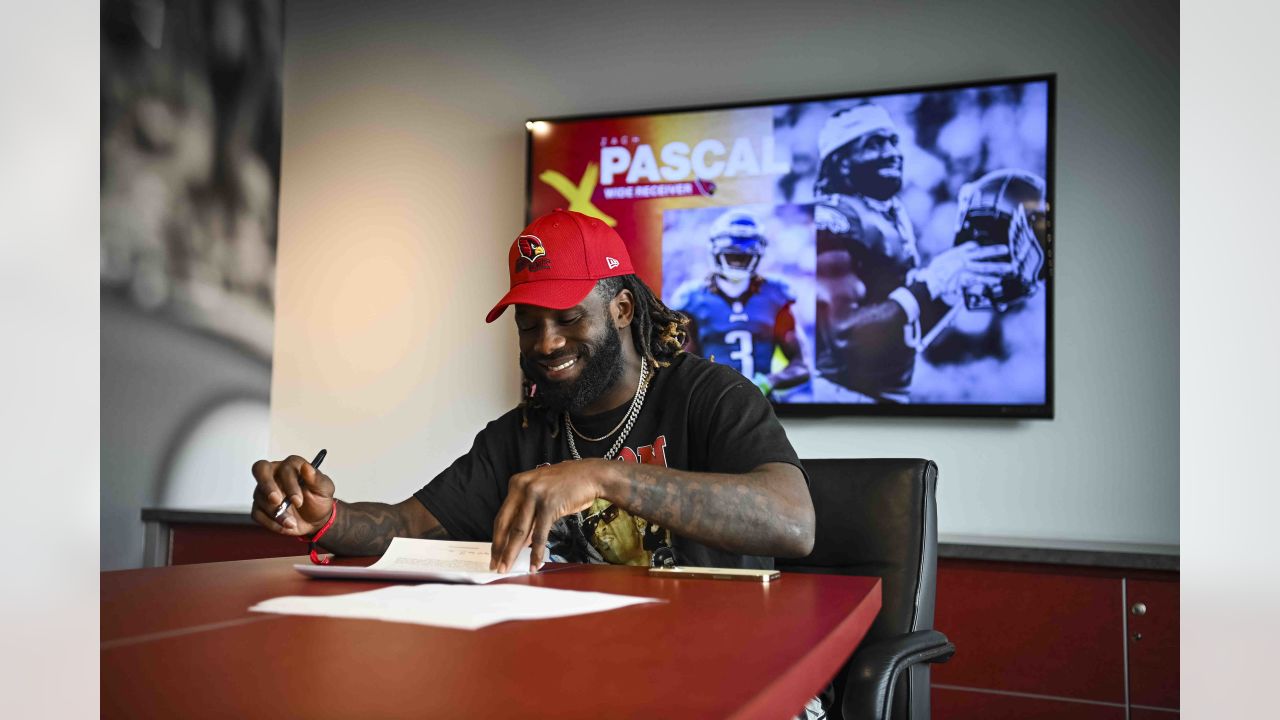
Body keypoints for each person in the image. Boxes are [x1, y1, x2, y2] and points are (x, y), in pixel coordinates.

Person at [250, 209, 815, 576]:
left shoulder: (709, 395)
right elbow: (406, 525)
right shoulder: (522, 432)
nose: (545, 343)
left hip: (723, 660)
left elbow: (793, 523)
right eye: (528, 324)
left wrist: (603, 475)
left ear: (621, 309)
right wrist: (324, 517)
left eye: (568, 318)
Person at [812, 103, 1015, 402]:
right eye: (874, 143)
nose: (892, 152)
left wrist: (949, 290)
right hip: (842, 393)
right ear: (841, 161)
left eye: (893, 141)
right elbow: (843, 332)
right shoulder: (834, 217)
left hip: (885, 394)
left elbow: (905, 329)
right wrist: (929, 283)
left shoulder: (891, 213)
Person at [669, 209, 810, 400]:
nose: (737, 261)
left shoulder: (775, 295)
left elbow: (802, 364)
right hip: (714, 405)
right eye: (731, 256)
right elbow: (682, 366)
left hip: (763, 406)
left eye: (743, 257)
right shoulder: (692, 299)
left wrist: (769, 381)